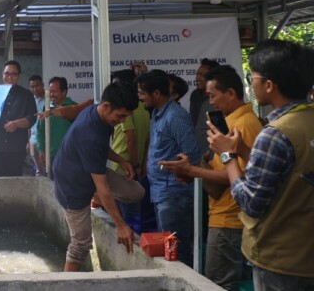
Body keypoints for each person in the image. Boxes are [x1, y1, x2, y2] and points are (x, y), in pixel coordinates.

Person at [208, 39, 314, 291]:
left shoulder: (275, 133)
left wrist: (227, 157)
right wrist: (243, 150)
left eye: (252, 76)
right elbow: (292, 169)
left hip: (281, 259)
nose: (250, 83)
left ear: (269, 85)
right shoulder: (301, 123)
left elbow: (251, 203)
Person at [161, 65, 260, 290]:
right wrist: (193, 172)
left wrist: (192, 171)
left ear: (232, 93)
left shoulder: (244, 124)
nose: (211, 102)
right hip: (223, 214)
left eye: (214, 96)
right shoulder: (232, 121)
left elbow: (236, 175)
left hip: (229, 218)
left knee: (217, 283)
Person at [53, 82, 145, 271]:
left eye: (125, 117)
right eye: (120, 116)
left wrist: (120, 159)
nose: (121, 121)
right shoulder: (89, 133)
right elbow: (102, 185)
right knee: (81, 244)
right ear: (105, 106)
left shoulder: (99, 114)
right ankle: (65, 286)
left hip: (89, 169)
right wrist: (120, 225)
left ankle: (100, 199)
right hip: (72, 186)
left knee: (136, 192)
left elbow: (101, 148)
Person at [137, 69, 200, 267]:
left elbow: (192, 153)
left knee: (177, 252)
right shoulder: (156, 113)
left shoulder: (175, 116)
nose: (140, 98)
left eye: (142, 94)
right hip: (160, 191)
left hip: (175, 194)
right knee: (169, 249)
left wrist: (179, 171)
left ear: (156, 94)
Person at [0, 60, 37, 177]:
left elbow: (32, 118)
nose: (9, 77)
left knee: (14, 183)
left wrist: (17, 124)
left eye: (13, 74)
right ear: (2, 75)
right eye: (7, 73)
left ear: (18, 76)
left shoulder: (26, 95)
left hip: (16, 149)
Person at [36, 76, 77, 176]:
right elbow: (40, 131)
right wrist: (42, 150)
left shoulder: (73, 108)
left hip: (68, 157)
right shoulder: (46, 107)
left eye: (55, 91)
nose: (51, 94)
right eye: (50, 91)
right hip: (50, 157)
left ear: (64, 92)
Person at [191, 58, 220, 154]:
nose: (197, 78)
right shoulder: (195, 95)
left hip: (213, 155)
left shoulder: (218, 102)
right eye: (197, 74)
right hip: (197, 153)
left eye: (202, 75)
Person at [28, 75, 46, 175]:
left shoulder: (49, 100)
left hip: (46, 138)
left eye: (37, 85)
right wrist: (27, 141)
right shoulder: (30, 100)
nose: (35, 89)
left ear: (42, 85)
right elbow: (28, 122)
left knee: (48, 167)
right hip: (33, 140)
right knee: (39, 171)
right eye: (32, 86)